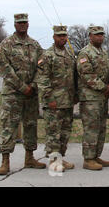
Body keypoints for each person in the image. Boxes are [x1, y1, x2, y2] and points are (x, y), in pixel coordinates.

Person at [0, 13, 45, 175]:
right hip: (12, 94)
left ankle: (29, 157)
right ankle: (5, 161)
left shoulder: (35, 45)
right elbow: (5, 69)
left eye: (25, 23)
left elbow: (42, 67)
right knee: (9, 126)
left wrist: (33, 85)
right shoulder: (6, 44)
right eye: (19, 23)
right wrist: (22, 87)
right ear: (15, 25)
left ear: (28, 24)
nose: (22, 25)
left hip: (31, 94)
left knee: (31, 125)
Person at [36, 25, 77, 171]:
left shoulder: (69, 54)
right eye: (59, 36)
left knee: (64, 134)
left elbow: (73, 77)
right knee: (53, 133)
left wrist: (75, 96)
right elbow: (42, 79)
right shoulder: (47, 55)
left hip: (67, 101)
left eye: (64, 36)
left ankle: (60, 158)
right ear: (54, 37)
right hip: (53, 102)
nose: (62, 38)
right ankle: (53, 161)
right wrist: (49, 98)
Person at [77, 26, 109, 171]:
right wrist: (104, 87)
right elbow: (87, 75)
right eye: (96, 35)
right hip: (90, 98)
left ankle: (96, 155)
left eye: (101, 35)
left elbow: (108, 72)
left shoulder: (103, 52)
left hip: (102, 98)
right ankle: (88, 158)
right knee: (91, 128)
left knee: (101, 128)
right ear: (90, 36)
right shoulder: (85, 53)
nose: (100, 37)